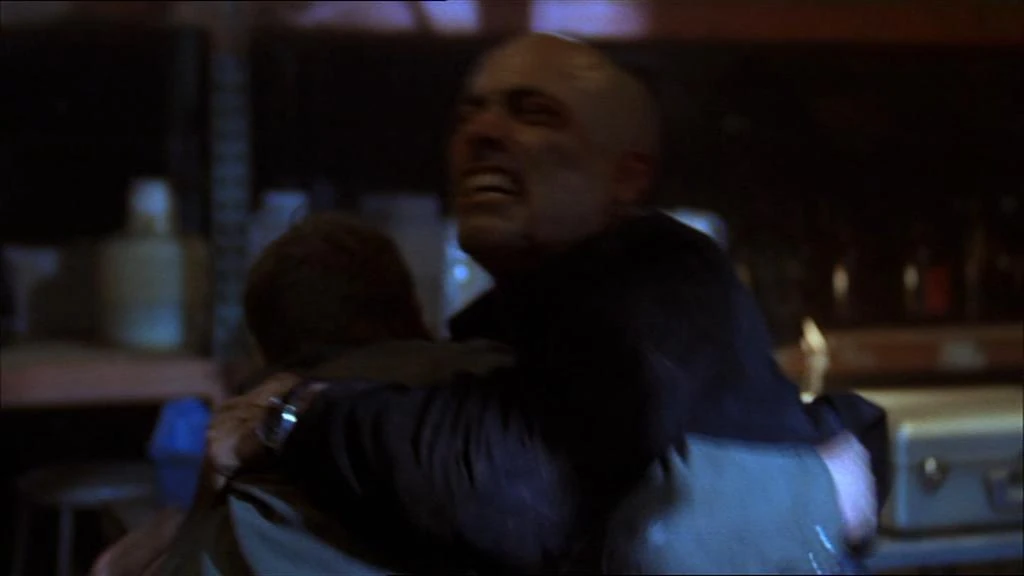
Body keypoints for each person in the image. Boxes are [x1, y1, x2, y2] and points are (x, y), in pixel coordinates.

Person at [207, 33, 888, 573]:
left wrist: (293, 417)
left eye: (534, 113)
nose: (483, 132)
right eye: (469, 113)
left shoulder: (663, 277)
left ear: (627, 176)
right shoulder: (523, 318)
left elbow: (516, 486)